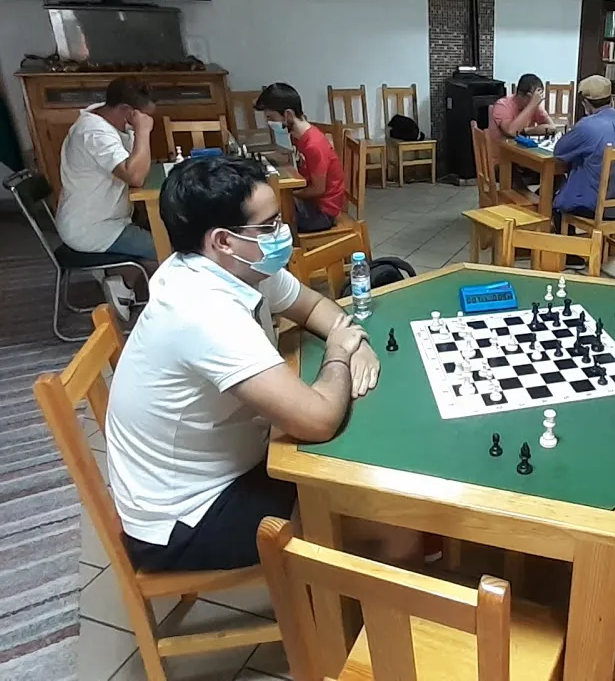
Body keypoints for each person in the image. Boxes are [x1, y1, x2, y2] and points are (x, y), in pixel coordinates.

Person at [105, 155, 412, 572]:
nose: (283, 234)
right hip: (186, 518)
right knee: (393, 519)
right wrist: (340, 350)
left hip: (232, 462)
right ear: (223, 240)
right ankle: (349, 608)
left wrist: (351, 338)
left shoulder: (240, 266)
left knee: (368, 474)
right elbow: (319, 420)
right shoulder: (201, 311)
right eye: (269, 226)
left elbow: (312, 306)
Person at [56, 76, 158, 318]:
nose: (146, 121)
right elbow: (135, 176)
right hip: (93, 228)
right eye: (142, 116)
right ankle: (123, 284)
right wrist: (143, 132)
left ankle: (119, 278)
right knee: (167, 248)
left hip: (106, 219)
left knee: (160, 230)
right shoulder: (94, 133)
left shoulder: (106, 120)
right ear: (126, 110)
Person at [551, 75, 615, 233]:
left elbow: (559, 152)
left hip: (596, 206)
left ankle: (570, 248)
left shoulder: (587, 126)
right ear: (611, 98)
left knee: (557, 202)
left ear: (585, 103)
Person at [256, 83, 346, 234]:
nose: (269, 123)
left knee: (267, 220)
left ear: (288, 114)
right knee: (267, 208)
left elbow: (318, 189)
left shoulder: (314, 144)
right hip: (312, 204)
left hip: (322, 213)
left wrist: (289, 194)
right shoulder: (298, 137)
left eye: (271, 118)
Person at [488, 73, 556, 142]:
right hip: (503, 147)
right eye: (534, 97)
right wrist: (532, 104)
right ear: (520, 94)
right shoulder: (502, 105)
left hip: (525, 146)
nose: (536, 101)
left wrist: (526, 131)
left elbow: (552, 128)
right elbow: (512, 132)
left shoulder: (535, 106)